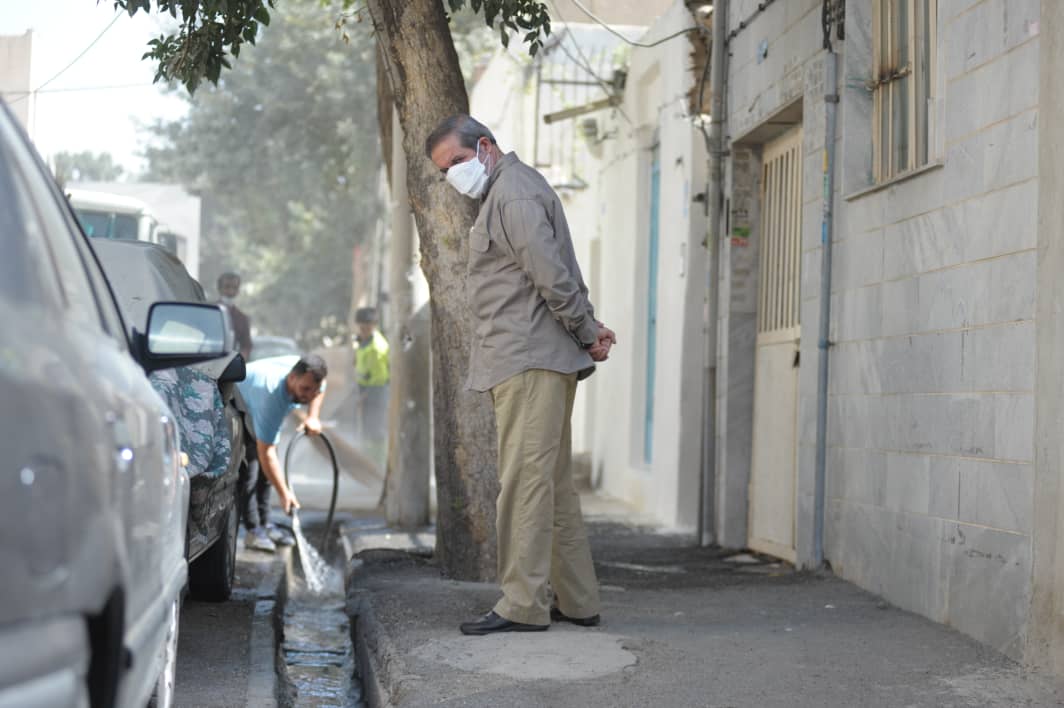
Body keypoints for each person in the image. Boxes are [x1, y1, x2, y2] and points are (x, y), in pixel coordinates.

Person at [426, 114, 617, 636]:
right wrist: (587, 328)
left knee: (524, 486)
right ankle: (578, 601)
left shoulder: (512, 195)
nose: (454, 175)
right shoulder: (510, 192)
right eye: (446, 170)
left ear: (485, 146)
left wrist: (584, 330)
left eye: (458, 162)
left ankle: (522, 604)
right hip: (534, 359)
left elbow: (552, 277)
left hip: (530, 361)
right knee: (551, 485)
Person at [236, 354, 327, 552]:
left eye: (314, 391)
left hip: (258, 401)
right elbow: (266, 454)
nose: (310, 395)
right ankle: (254, 532)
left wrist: (312, 417)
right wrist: (285, 494)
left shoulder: (312, 378)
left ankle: (266, 524)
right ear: (292, 378)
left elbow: (321, 388)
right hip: (236, 403)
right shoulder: (270, 395)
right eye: (305, 390)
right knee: (251, 469)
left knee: (266, 472)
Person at [353, 307, 390, 465]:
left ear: (374, 325)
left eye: (367, 327)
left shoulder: (377, 347)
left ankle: (377, 464)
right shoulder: (363, 341)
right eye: (361, 327)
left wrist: (364, 395)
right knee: (367, 429)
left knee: (376, 430)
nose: (363, 331)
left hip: (376, 392)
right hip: (365, 389)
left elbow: (380, 378)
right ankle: (366, 461)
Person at [218, 271, 253, 361]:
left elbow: (246, 346)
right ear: (219, 289)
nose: (230, 291)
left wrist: (239, 361)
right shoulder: (210, 312)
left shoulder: (242, 318)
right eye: (227, 287)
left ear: (238, 291)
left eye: (234, 288)